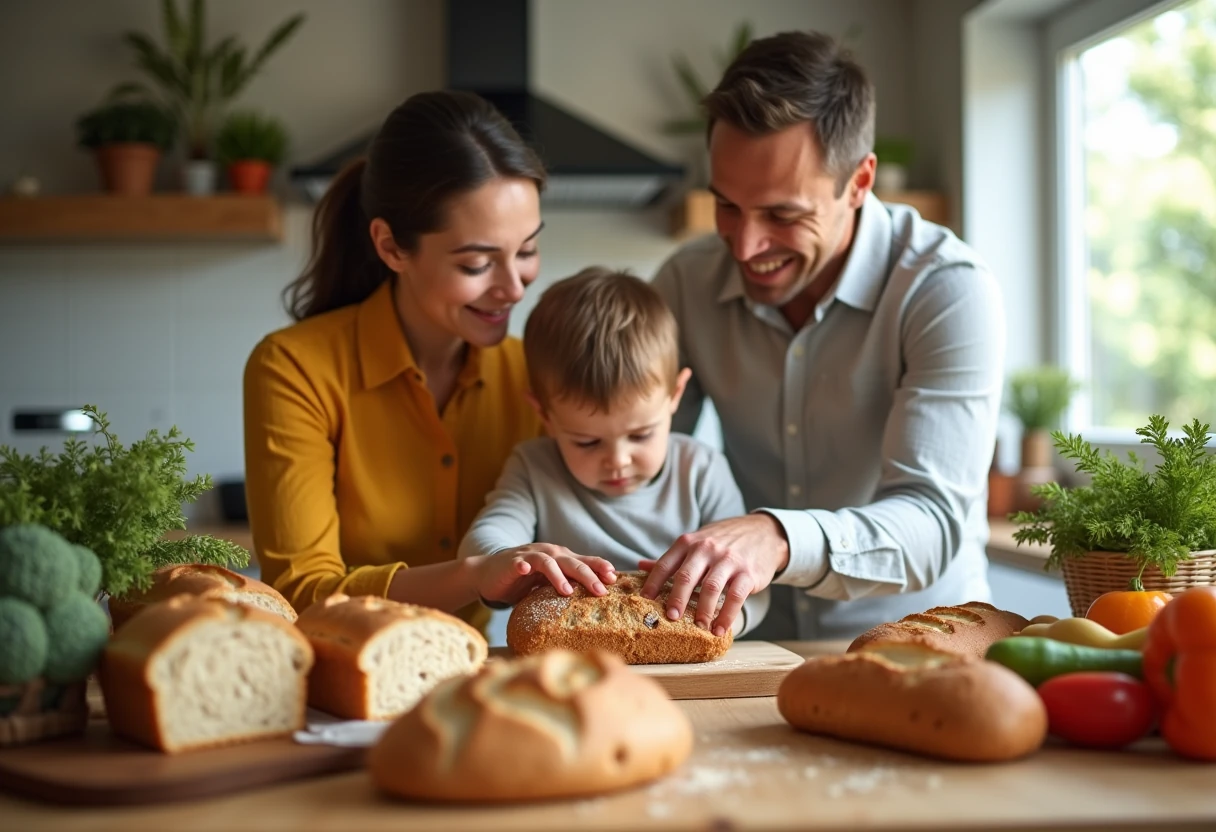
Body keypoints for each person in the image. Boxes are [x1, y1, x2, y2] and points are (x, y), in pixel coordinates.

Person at [641, 30, 1005, 640]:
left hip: (927, 641)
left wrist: (778, 537)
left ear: (860, 182)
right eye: (727, 206)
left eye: (783, 214)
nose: (745, 246)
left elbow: (933, 523)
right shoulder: (684, 283)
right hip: (761, 643)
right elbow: (639, 460)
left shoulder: (946, 289)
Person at [243, 91, 616, 630]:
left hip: (488, 664)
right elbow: (301, 592)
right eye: (477, 263)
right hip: (344, 664)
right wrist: (474, 574)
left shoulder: (534, 375)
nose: (514, 288)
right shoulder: (293, 368)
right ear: (392, 246)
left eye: (527, 250)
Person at [458, 268, 770, 634]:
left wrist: (723, 622)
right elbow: (483, 542)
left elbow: (748, 580)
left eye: (640, 435)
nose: (618, 460)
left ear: (675, 395)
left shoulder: (701, 469)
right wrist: (510, 561)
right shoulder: (534, 467)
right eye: (587, 442)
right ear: (545, 415)